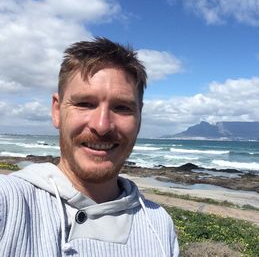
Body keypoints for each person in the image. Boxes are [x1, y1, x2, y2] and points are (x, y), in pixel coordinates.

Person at [0, 38, 179, 256]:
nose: (102, 126)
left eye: (122, 108)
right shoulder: (9, 201)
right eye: (85, 104)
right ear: (57, 111)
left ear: (139, 117)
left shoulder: (159, 224)